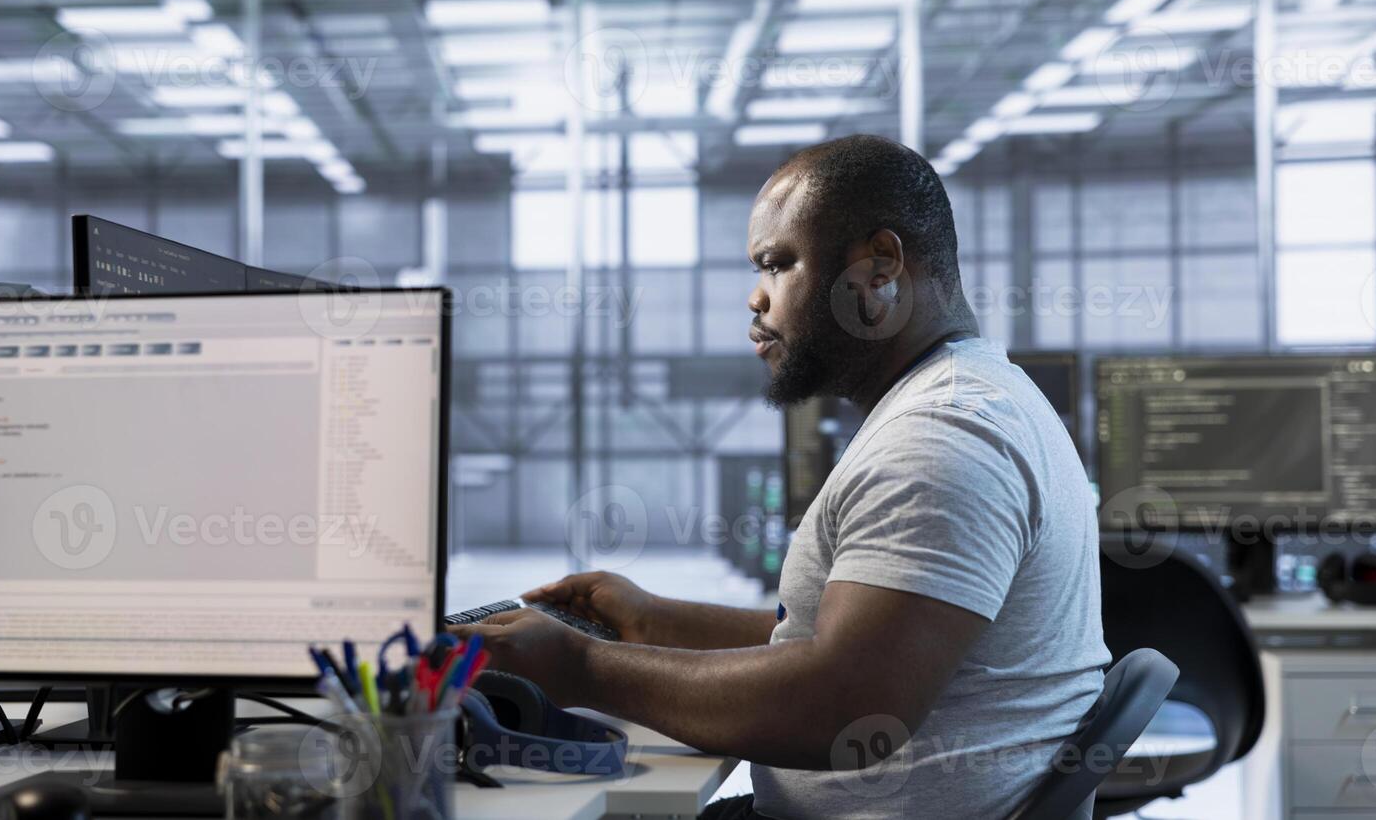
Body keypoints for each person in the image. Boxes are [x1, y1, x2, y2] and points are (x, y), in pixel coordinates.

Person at [448, 134, 1108, 818]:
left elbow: (843, 706)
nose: (755, 300)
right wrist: (651, 620)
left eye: (777, 265)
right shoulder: (974, 393)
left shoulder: (940, 439)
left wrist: (578, 668)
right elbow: (843, 638)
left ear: (880, 267)